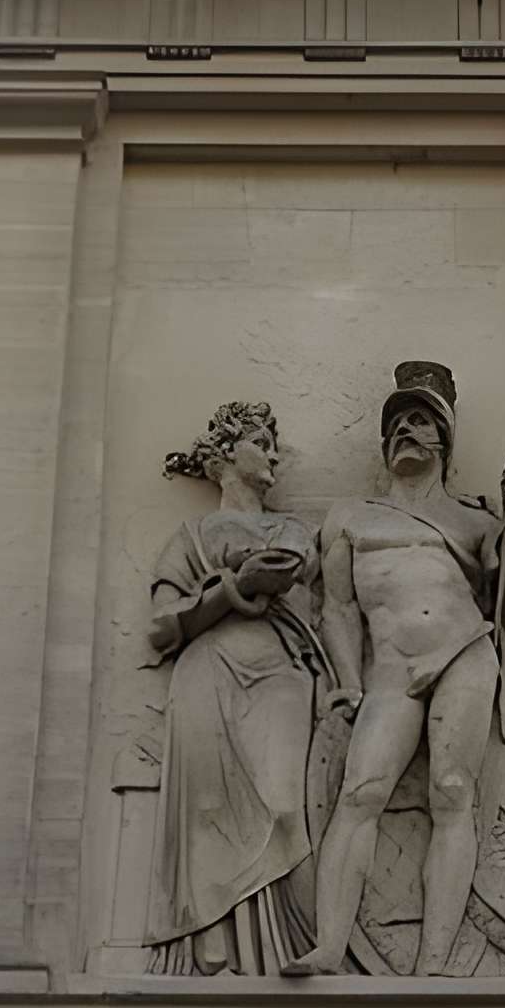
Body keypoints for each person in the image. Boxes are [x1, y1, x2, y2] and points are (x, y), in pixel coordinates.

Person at [282, 361, 505, 977]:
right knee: (360, 791)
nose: (405, 430)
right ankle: (328, 944)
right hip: (391, 672)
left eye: (419, 420)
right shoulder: (350, 516)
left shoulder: (476, 521)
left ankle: (433, 963)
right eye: (396, 422)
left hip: (463, 654)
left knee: (453, 794)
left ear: (442, 441)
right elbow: (338, 609)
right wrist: (346, 681)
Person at [145, 403, 325, 975]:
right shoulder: (190, 538)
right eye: (260, 441)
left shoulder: (294, 531)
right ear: (225, 454)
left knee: (283, 806)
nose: (272, 453)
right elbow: (160, 626)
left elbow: (323, 607)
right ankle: (211, 937)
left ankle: (295, 946)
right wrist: (229, 588)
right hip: (207, 669)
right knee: (207, 809)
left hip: (279, 672)